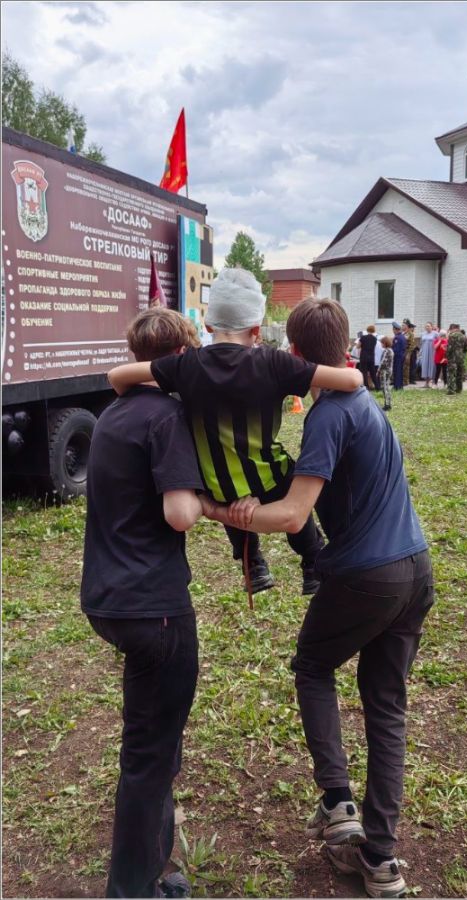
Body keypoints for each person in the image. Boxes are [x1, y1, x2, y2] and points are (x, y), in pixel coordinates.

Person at [205, 299, 434, 899]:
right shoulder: (365, 402)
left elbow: (293, 515)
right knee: (386, 708)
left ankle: (337, 803)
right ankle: (380, 861)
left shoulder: (329, 414)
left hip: (366, 577)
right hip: (416, 569)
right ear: (345, 346)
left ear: (296, 355)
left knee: (311, 667)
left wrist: (215, 509)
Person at [108, 270, 363, 597]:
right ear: (256, 330)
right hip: (269, 477)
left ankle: (253, 565)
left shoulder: (186, 366)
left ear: (208, 325)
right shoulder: (273, 363)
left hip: (218, 484)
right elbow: (351, 381)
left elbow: (117, 376)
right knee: (290, 488)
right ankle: (313, 562)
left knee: (226, 491)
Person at [81, 308, 210, 899]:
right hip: (154, 609)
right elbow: (180, 513)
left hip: (107, 599)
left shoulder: (113, 413)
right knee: (150, 759)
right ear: (180, 356)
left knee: (152, 745)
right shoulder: (167, 416)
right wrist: (219, 506)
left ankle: (151, 873)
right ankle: (132, 890)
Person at [446, 324, 467, 395]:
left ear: (453, 328)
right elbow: (466, 348)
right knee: (459, 373)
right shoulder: (463, 336)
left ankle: (451, 390)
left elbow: (449, 348)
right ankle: (459, 389)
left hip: (452, 357)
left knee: (451, 373)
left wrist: (446, 355)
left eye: (450, 329)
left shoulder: (451, 336)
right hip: (460, 358)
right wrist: (462, 353)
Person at [358, 325, 379, 391]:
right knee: (372, 372)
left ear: (367, 330)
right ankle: (377, 387)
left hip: (364, 357)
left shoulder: (363, 337)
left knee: (364, 372)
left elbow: (358, 346)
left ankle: (366, 387)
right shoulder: (375, 339)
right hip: (371, 357)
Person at [419, 322, 437, 388]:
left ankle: (432, 382)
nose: (427, 327)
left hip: (432, 351)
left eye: (429, 326)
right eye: (426, 326)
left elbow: (439, 341)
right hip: (425, 352)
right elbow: (421, 343)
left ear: (432, 327)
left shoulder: (435, 334)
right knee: (425, 365)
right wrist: (420, 352)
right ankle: (426, 383)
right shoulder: (423, 334)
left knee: (431, 366)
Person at [378, 336, 394, 412]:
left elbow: (383, 362)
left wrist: (378, 370)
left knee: (384, 387)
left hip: (384, 371)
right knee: (387, 387)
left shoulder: (386, 351)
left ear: (385, 343)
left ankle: (387, 405)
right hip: (389, 370)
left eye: (382, 343)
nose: (381, 344)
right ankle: (388, 403)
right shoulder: (391, 350)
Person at [391, 322, 406, 391]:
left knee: (397, 372)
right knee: (400, 371)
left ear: (395, 329)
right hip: (401, 356)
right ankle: (400, 386)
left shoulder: (397, 338)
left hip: (397, 357)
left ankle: (396, 386)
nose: (393, 331)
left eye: (393, 329)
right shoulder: (402, 336)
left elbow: (395, 349)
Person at [401, 320, 415, 388]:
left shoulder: (410, 333)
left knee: (406, 367)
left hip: (407, 352)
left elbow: (412, 345)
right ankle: (402, 380)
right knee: (402, 366)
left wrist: (408, 354)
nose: (402, 326)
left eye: (403, 325)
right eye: (402, 325)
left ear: (407, 326)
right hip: (401, 351)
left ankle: (406, 381)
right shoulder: (402, 333)